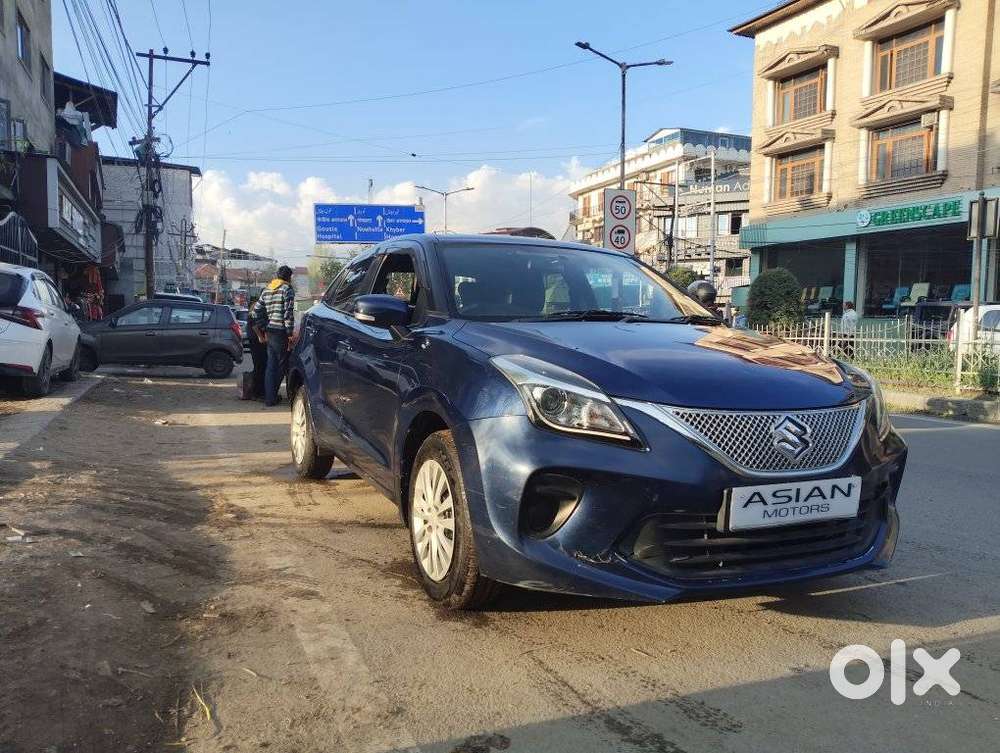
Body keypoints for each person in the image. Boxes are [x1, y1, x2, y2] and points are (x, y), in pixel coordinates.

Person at [251, 265, 296, 407]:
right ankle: (274, 397)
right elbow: (288, 314)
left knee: (271, 366)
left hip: (270, 331)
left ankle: (269, 398)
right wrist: (290, 334)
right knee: (282, 366)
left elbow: (255, 311)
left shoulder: (267, 290)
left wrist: (264, 326)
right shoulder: (287, 289)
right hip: (281, 333)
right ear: (289, 277)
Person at [247, 296, 268, 400]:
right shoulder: (257, 309)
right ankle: (257, 393)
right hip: (257, 342)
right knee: (260, 367)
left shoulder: (253, 310)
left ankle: (257, 392)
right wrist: (261, 337)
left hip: (255, 341)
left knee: (259, 367)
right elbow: (255, 326)